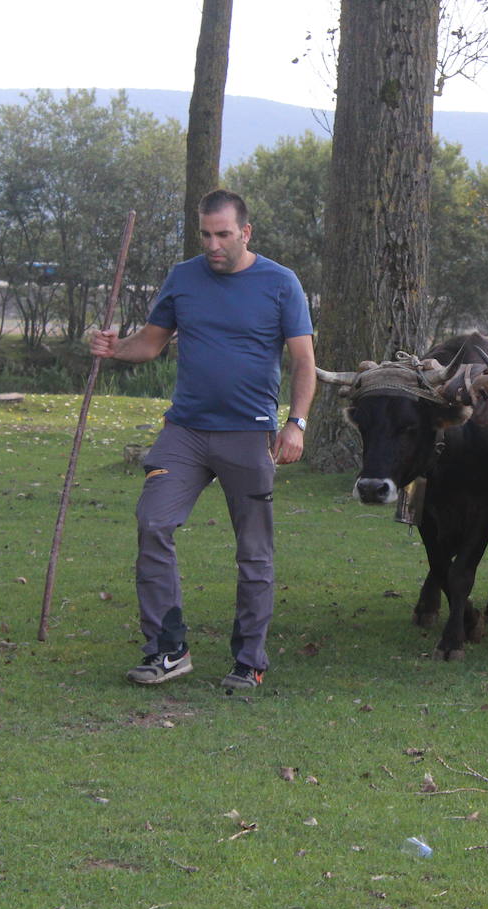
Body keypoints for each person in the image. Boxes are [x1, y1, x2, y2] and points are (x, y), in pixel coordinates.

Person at [89, 189, 315, 689]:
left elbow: (303, 361)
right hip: (185, 432)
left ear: (246, 232)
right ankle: (168, 650)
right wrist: (114, 348)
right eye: (206, 234)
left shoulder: (280, 283)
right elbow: (150, 342)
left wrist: (295, 423)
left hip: (249, 435)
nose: (213, 245)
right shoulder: (183, 277)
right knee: (152, 523)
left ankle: (249, 661)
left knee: (254, 550)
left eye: (223, 235)